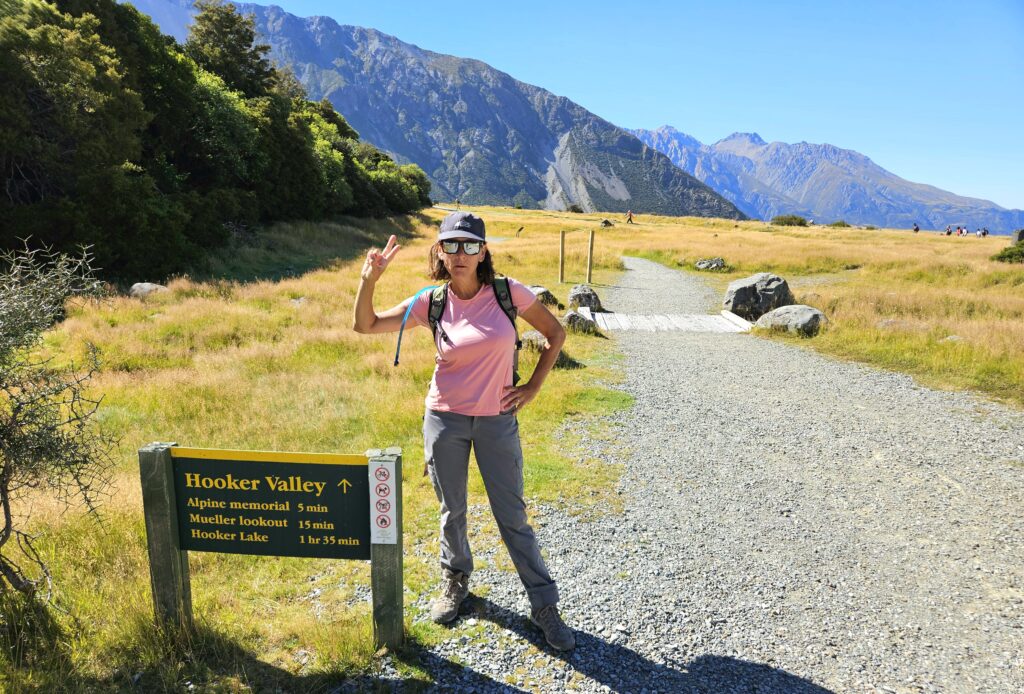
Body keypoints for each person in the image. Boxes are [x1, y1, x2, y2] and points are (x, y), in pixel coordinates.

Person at [352, 211, 575, 650]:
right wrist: (369, 279)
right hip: (444, 419)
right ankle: (455, 583)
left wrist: (531, 387)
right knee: (451, 511)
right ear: (439, 251)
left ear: (483, 251)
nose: (460, 254)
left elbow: (556, 334)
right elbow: (366, 324)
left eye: (469, 245)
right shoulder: (430, 301)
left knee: (512, 516)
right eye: (450, 245)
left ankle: (544, 606)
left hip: (497, 420)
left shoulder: (508, 293)